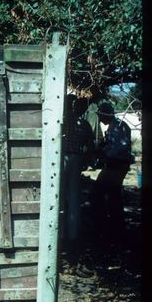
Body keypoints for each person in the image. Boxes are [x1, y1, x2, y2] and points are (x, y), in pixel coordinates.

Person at [90, 101, 134, 241]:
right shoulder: (115, 126)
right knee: (113, 195)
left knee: (98, 193)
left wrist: (102, 151)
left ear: (105, 115)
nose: (100, 119)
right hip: (117, 164)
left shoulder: (117, 127)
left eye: (101, 116)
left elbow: (118, 150)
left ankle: (108, 227)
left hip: (117, 165)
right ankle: (115, 226)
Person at [62, 95, 95, 265]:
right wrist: (85, 162)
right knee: (74, 199)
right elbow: (90, 147)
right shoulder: (84, 124)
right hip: (75, 159)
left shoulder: (60, 122)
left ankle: (60, 235)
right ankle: (72, 236)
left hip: (60, 159)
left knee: (60, 198)